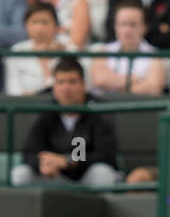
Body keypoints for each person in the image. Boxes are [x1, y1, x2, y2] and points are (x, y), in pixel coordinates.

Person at [12, 56, 120, 184]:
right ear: (54, 87)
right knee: (20, 174)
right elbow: (29, 153)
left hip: (84, 178)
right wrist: (44, 163)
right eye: (61, 82)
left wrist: (68, 161)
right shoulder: (46, 112)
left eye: (72, 82)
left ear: (83, 85)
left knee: (103, 174)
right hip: (53, 176)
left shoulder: (98, 111)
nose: (66, 88)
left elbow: (106, 156)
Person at [90, 0, 165, 92]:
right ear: (115, 27)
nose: (127, 30)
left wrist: (115, 84)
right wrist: (135, 79)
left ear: (144, 27)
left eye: (133, 25)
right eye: (122, 24)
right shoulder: (103, 51)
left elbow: (154, 87)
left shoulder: (155, 55)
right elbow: (99, 80)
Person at [5, 0, 69, 93]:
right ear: (26, 26)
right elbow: (13, 89)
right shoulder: (17, 51)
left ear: (56, 26)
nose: (39, 28)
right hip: (25, 104)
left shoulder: (66, 50)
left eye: (45, 22)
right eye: (34, 22)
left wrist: (44, 61)